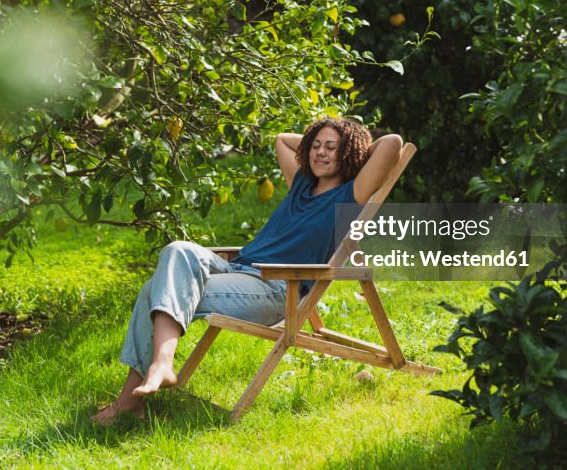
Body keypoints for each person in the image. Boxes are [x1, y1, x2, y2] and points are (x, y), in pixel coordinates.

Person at [91, 118, 404, 425]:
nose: (320, 152)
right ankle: (158, 368)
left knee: (154, 291)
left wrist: (355, 147)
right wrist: (319, 140)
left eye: (332, 148)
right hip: (237, 268)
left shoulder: (351, 195)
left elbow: (392, 144)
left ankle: (136, 393)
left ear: (350, 153)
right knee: (177, 250)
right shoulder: (302, 185)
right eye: (315, 146)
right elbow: (282, 138)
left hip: (275, 288)